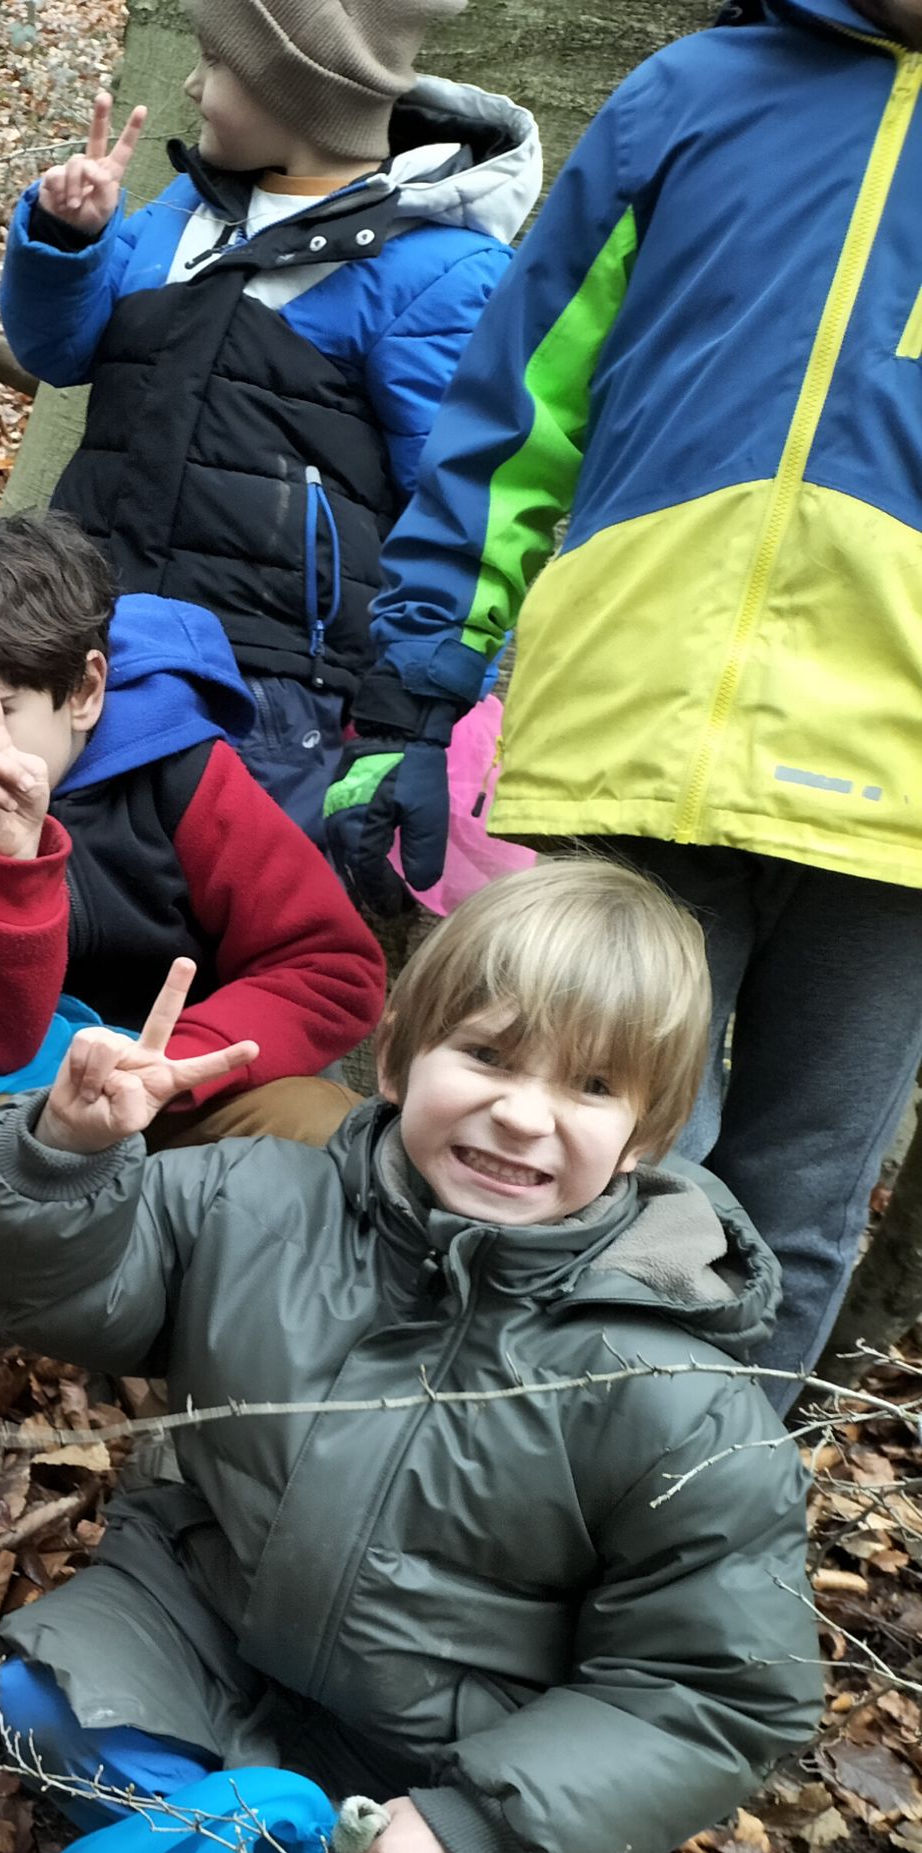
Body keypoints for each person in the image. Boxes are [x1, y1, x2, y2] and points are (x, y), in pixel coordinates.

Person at [0, 860, 922, 1853]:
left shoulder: (671, 1391)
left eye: (591, 1088)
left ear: (648, 1137)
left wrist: (480, 1824)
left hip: (474, 1780)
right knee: (37, 1703)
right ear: (400, 1056)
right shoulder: (257, 1200)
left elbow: (719, 1687)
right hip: (225, 1648)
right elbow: (73, 1301)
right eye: (488, 1056)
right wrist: (67, 1156)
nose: (523, 1114)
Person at [331, 0, 922, 1406]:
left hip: (896, 798)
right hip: (634, 736)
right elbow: (521, 400)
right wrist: (418, 687)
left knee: (797, 1204)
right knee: (592, 1162)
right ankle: (486, 1480)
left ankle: (701, 1506)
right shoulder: (694, 94)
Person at [0, 0, 538, 831]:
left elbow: (461, 503)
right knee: (57, 862)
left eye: (218, 64)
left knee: (232, 887)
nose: (191, 84)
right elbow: (59, 351)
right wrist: (68, 242)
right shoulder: (183, 212)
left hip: (270, 682)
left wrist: (413, 703)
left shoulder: (439, 269)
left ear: (297, 90)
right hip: (91, 628)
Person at [0, 513, 384, 1280]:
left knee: (329, 1138)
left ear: (85, 690)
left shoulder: (182, 770)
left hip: (174, 1084)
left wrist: (166, 1067)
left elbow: (331, 968)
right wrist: (4, 862)